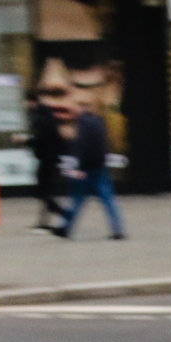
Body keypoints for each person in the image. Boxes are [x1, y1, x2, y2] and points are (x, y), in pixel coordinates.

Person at [52, 106, 125, 240]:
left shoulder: (82, 124)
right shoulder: (98, 121)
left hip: (87, 168)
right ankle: (118, 229)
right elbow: (104, 143)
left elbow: (83, 146)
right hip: (100, 165)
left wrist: (80, 166)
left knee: (76, 199)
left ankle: (65, 227)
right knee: (108, 199)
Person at [27, 98, 67, 231]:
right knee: (46, 191)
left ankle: (62, 213)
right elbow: (57, 139)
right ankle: (44, 221)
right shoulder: (50, 118)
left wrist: (27, 141)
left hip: (45, 160)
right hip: (52, 160)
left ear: (30, 101)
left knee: (42, 192)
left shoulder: (38, 118)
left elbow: (39, 139)